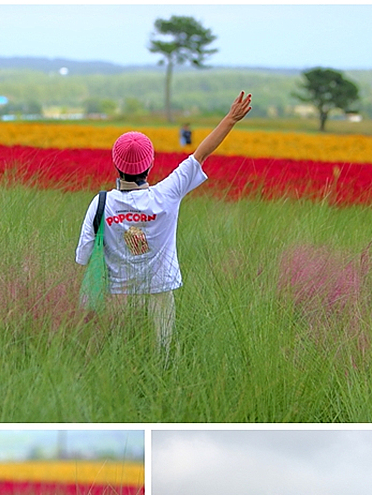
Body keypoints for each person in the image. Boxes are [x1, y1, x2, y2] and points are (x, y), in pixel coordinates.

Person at [75, 91, 252, 353]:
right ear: (150, 163)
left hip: (115, 297)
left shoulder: (101, 204)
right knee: (161, 356)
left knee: (117, 356)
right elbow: (200, 155)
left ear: (116, 163)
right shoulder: (167, 194)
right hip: (159, 294)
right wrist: (230, 118)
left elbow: (83, 256)